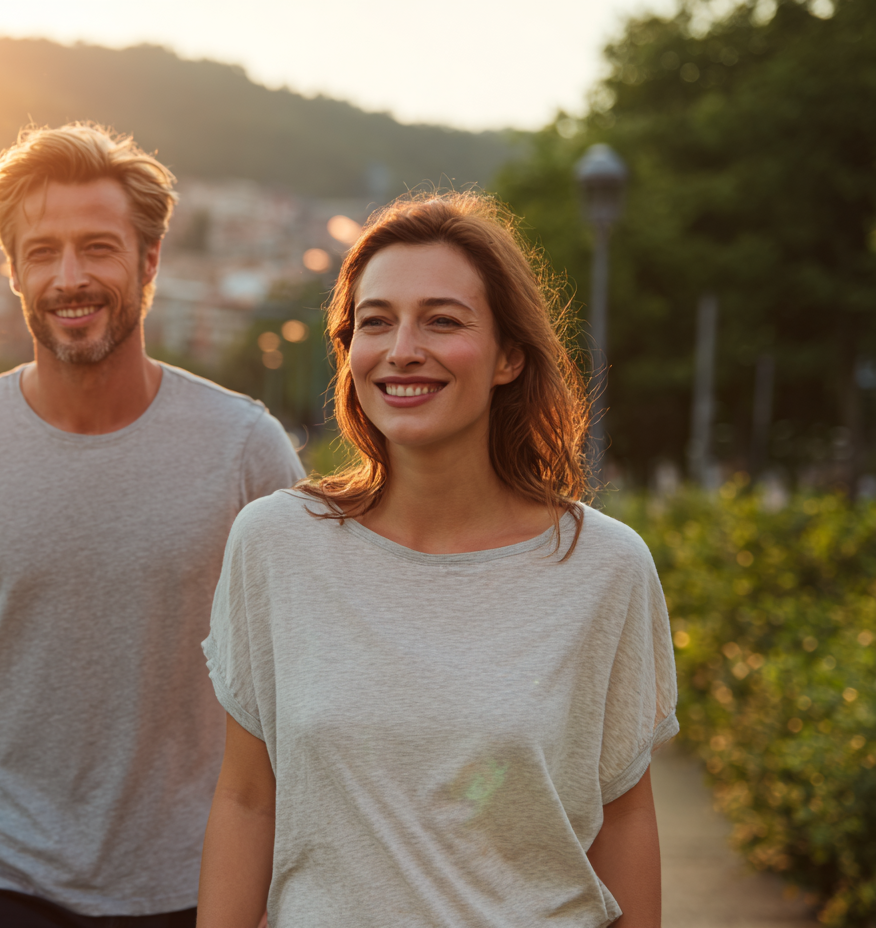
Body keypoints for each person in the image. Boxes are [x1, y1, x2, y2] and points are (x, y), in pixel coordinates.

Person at [0, 123, 304, 928]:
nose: (70, 278)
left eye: (98, 248)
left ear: (149, 261)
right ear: (13, 270)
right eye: (42, 252)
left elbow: (296, 684)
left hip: (194, 882)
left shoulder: (246, 449)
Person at [197, 193, 678, 927]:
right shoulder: (274, 543)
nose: (402, 349)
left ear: (509, 357)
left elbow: (624, 816)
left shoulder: (606, 567)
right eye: (375, 321)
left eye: (442, 321)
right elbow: (246, 800)